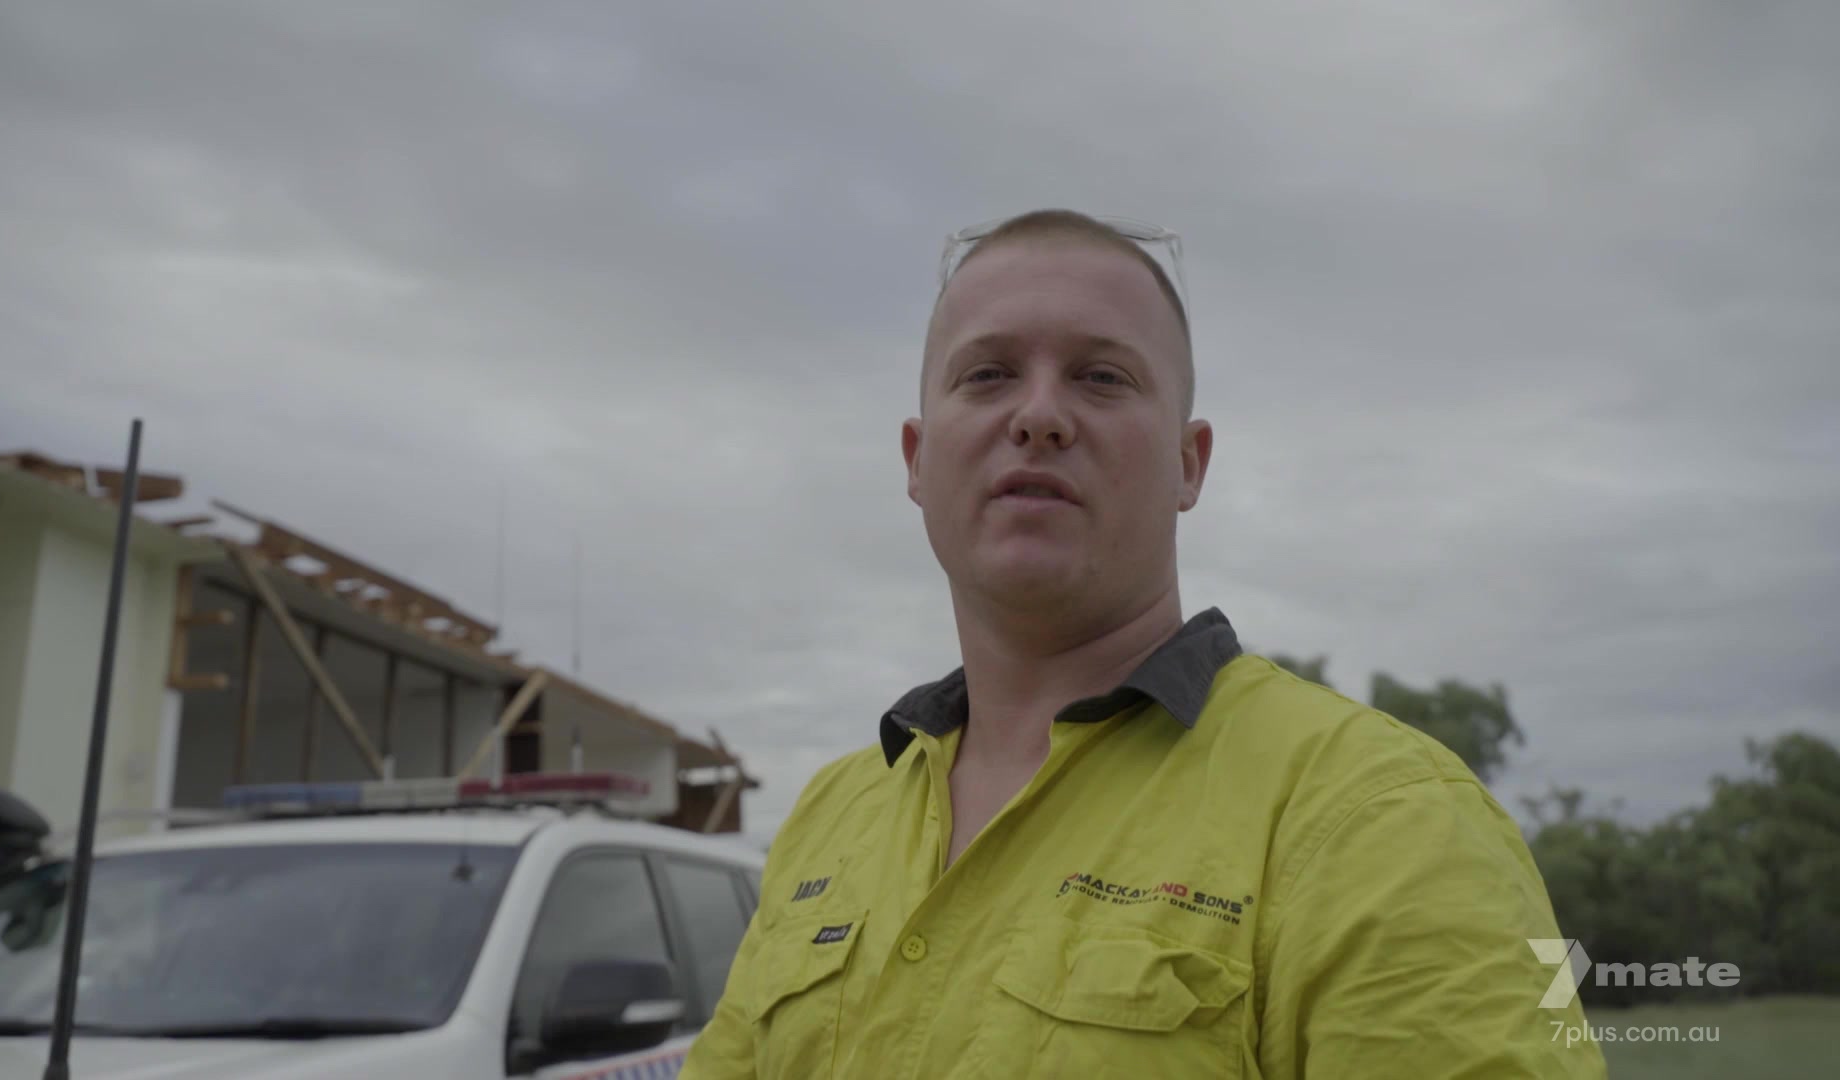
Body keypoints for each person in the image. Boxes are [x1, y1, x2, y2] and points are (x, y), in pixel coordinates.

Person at [681, 209, 1606, 1078]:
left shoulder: (1384, 816)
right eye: (989, 374)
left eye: (1102, 377)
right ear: (917, 460)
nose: (1039, 416)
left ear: (1187, 464)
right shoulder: (831, 815)